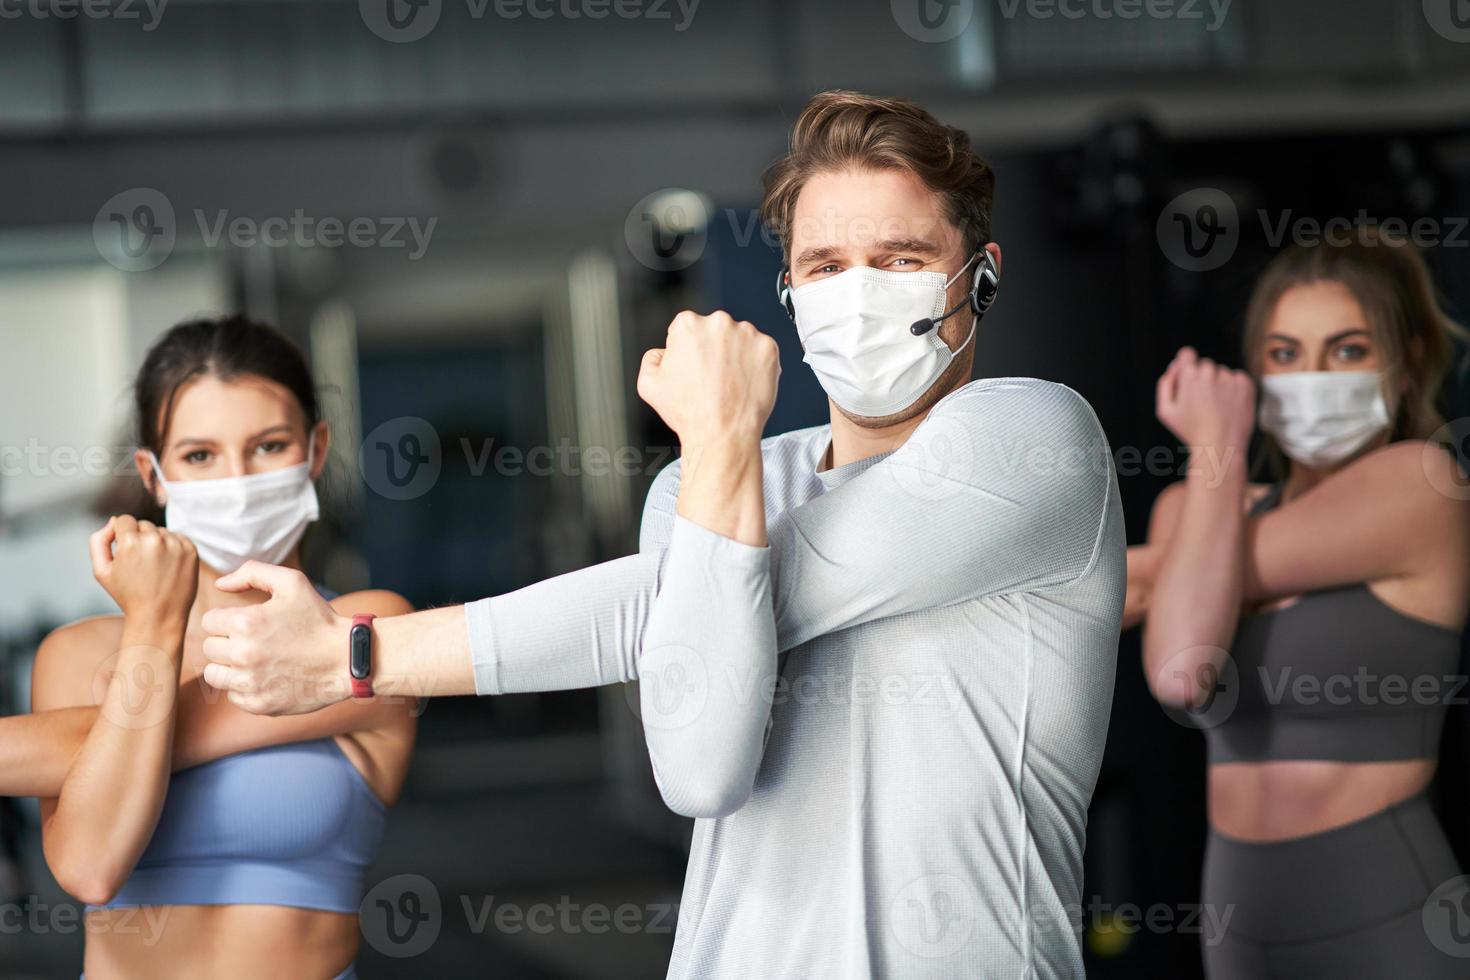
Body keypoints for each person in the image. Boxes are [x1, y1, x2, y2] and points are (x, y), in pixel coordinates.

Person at [199, 91, 1125, 978]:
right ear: (791, 294)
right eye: (825, 266)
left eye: (901, 259)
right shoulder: (712, 482)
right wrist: (723, 459)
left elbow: (684, 598)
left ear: (985, 274)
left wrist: (356, 654)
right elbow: (699, 768)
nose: (859, 292)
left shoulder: (1037, 440)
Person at [6, 316, 417, 980]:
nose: (237, 480)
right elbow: (89, 867)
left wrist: (79, 737)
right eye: (199, 455)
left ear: (314, 452)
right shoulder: (75, 655)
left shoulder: (365, 629)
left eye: (268, 446)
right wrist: (154, 627)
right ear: (154, 474)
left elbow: (151, 732)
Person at [1129, 229, 1470, 977]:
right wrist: (1188, 545)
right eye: (1285, 354)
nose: (1311, 377)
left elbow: (1181, 668)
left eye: (1347, 350)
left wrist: (1214, 446)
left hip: (1387, 915)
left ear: (1407, 360)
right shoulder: (1197, 511)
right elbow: (1182, 665)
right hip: (1240, 923)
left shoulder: (1422, 482)